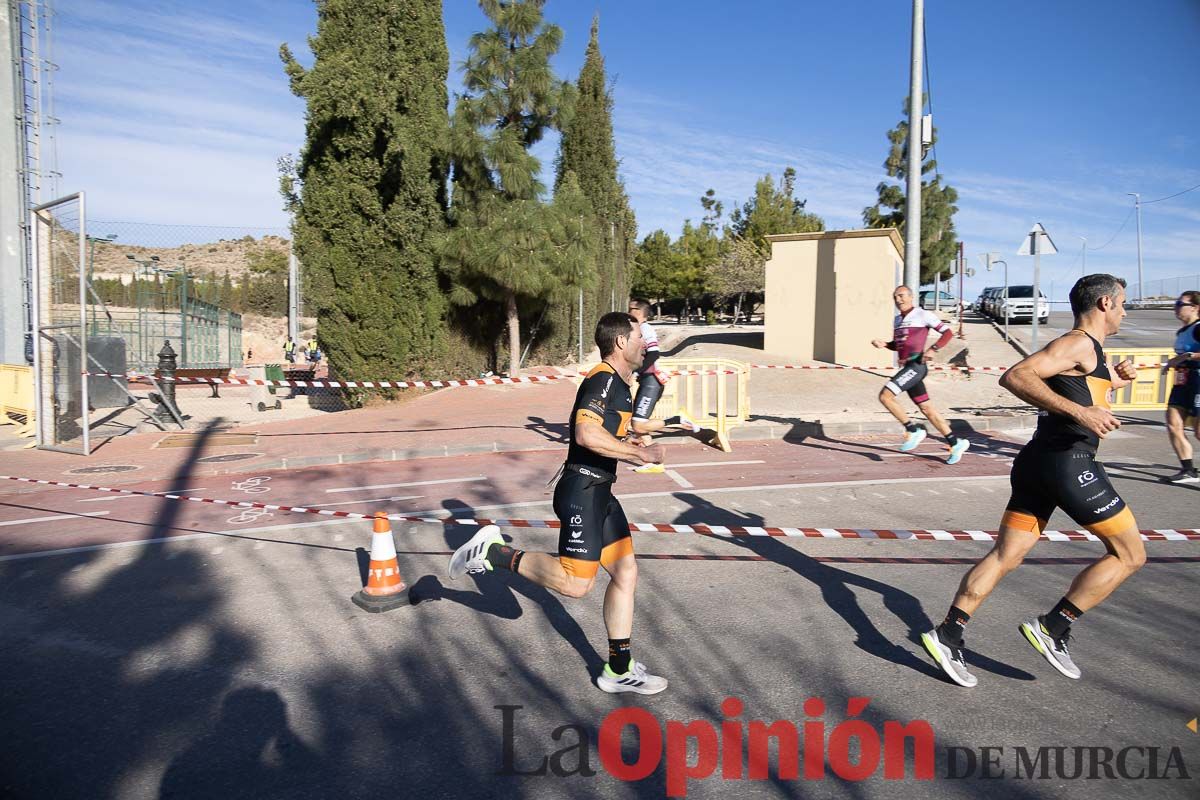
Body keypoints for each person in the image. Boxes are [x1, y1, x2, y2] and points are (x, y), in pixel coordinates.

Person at [921, 274, 1144, 687]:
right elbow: (1016, 376)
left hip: (1039, 464)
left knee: (1007, 554)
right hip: (1068, 466)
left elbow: (1077, 386)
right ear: (1105, 304)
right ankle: (1053, 626)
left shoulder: (1088, 351)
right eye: (1123, 303)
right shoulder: (1077, 342)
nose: (1126, 311)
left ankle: (947, 634)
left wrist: (1115, 379)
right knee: (1130, 555)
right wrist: (1081, 414)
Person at [448, 312, 670, 694]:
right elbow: (584, 434)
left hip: (601, 492)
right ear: (620, 342)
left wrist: (628, 445)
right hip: (581, 493)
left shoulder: (619, 383)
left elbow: (603, 433)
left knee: (626, 573)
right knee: (575, 584)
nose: (644, 344)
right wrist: (640, 457)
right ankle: (495, 553)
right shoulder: (601, 378)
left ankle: (619, 669)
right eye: (638, 337)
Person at [872, 286, 971, 464]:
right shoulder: (897, 320)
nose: (898, 300)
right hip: (908, 369)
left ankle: (913, 430)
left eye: (902, 296)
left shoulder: (922, 314)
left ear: (911, 297)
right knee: (927, 410)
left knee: (885, 396)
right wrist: (885, 344)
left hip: (916, 366)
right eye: (895, 297)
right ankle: (955, 443)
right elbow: (899, 344)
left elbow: (947, 332)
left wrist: (934, 349)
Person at [625, 298, 709, 472]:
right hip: (646, 379)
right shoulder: (636, 329)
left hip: (651, 381)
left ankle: (678, 419)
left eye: (630, 309)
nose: (628, 311)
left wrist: (635, 373)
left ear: (639, 312)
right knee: (639, 424)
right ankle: (655, 463)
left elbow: (654, 354)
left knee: (638, 424)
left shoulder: (646, 329)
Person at [1163, 291, 1200, 484]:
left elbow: (1189, 355)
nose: (1176, 307)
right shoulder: (1182, 331)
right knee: (1173, 423)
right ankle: (1188, 470)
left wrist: (1186, 357)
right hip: (1183, 382)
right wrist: (1173, 364)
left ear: (1195, 308)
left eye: (1180, 304)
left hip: (1198, 382)